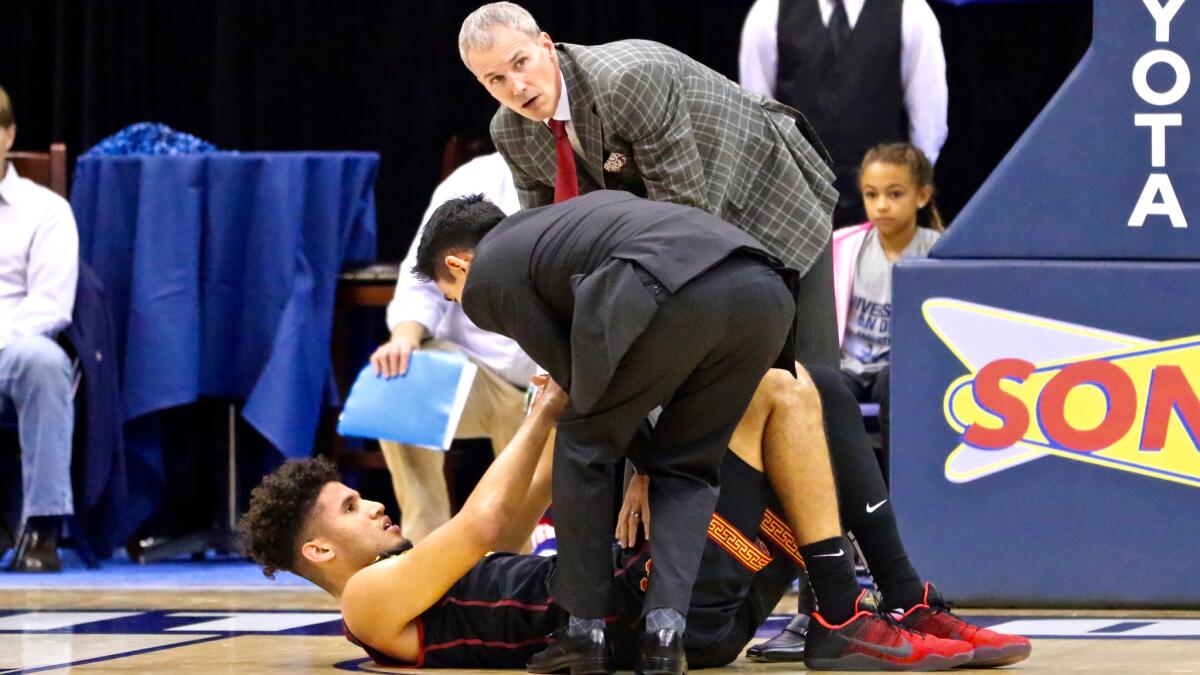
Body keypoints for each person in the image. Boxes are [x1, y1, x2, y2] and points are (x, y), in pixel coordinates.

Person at [237, 367, 1029, 671]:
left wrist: (600, 418)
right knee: (776, 393)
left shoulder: (424, 582)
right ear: (316, 546)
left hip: (688, 598)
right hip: (663, 610)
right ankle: (847, 610)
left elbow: (514, 509)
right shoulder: (366, 602)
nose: (371, 502)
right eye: (349, 505)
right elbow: (482, 521)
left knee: (807, 388)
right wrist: (545, 411)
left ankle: (881, 598)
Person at [416, 189, 799, 674]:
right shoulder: (561, 227)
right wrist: (647, 463)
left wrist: (631, 452)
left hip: (673, 291)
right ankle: (666, 634)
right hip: (766, 291)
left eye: (452, 293)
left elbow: (576, 384)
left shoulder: (488, 272)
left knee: (580, 443)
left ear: (458, 262)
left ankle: (582, 632)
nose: (463, 304)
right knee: (687, 469)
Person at [459, 1, 841, 366]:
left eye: (521, 62)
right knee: (732, 391)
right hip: (693, 227)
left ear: (546, 45)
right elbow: (546, 244)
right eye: (496, 79)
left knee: (810, 378)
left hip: (769, 195)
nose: (517, 86)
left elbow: (681, 219)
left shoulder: (625, 82)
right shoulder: (510, 132)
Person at [368, 152, 536, 548]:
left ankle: (524, 570)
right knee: (401, 383)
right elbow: (421, 276)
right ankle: (425, 550)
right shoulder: (476, 177)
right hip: (479, 372)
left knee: (518, 536)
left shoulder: (594, 173)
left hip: (556, 380)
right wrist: (405, 338)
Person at [739, 0, 948, 227]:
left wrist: (903, 192)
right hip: (795, 205)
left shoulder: (911, 11)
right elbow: (756, 119)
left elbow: (928, 123)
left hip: (883, 206)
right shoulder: (769, 11)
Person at [0, 85, 80, 572]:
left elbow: (50, 306)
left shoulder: (44, 210)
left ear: (7, 135)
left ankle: (42, 526)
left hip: (12, 351)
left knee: (46, 361)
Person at [833, 142, 942, 479]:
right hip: (849, 367)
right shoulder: (843, 246)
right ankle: (841, 495)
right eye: (871, 194)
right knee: (824, 385)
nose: (881, 205)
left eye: (895, 194)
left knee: (893, 381)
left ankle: (901, 489)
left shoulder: (939, 251)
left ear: (922, 196)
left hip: (902, 370)